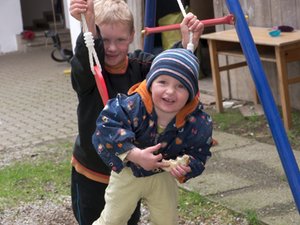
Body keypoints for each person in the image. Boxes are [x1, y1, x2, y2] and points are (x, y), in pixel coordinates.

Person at [69, 0, 204, 224]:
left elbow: (168, 73)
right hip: (93, 172)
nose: (112, 48)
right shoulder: (91, 72)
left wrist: (187, 44)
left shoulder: (142, 67)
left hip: (129, 173)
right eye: (105, 40)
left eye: (120, 40)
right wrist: (89, 27)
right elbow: (83, 63)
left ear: (132, 35)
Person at [92, 48, 213, 225]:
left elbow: (199, 151)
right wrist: (134, 154)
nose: (170, 91)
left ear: (191, 92)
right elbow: (106, 127)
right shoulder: (132, 105)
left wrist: (187, 167)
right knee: (113, 220)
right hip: (128, 174)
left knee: (166, 220)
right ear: (150, 83)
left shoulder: (196, 120)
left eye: (181, 86)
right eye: (163, 82)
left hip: (163, 176)